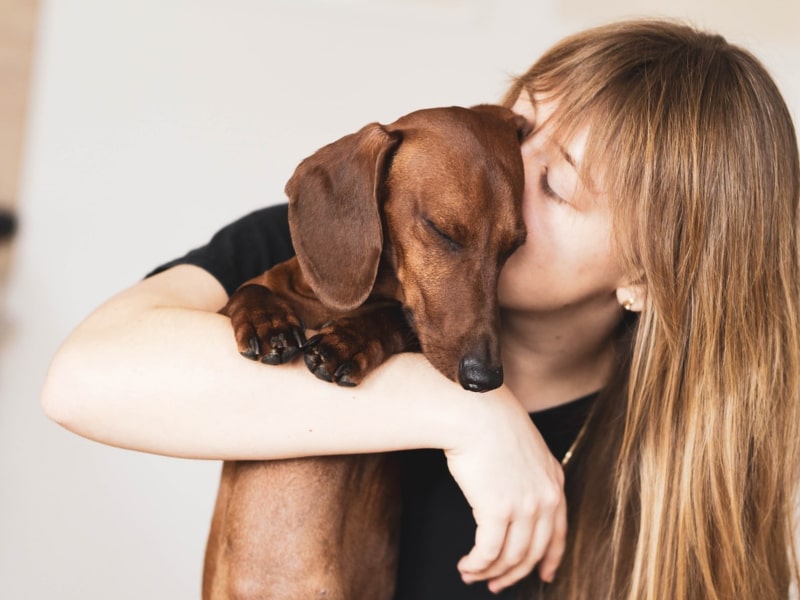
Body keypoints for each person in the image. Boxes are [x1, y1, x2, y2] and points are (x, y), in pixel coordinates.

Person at [40, 18, 800, 600]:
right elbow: (83, 378)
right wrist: (469, 414)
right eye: (524, 126)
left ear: (649, 276)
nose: (507, 167)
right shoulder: (348, 243)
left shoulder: (680, 478)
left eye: (560, 185)